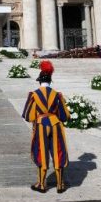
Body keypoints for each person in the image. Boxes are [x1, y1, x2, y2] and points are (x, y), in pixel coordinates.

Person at [22, 61, 70, 193]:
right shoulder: (57, 94)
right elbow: (64, 115)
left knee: (41, 151)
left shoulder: (34, 94)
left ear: (39, 82)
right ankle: (60, 184)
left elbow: (28, 115)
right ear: (50, 81)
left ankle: (42, 184)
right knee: (58, 151)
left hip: (41, 125)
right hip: (55, 124)